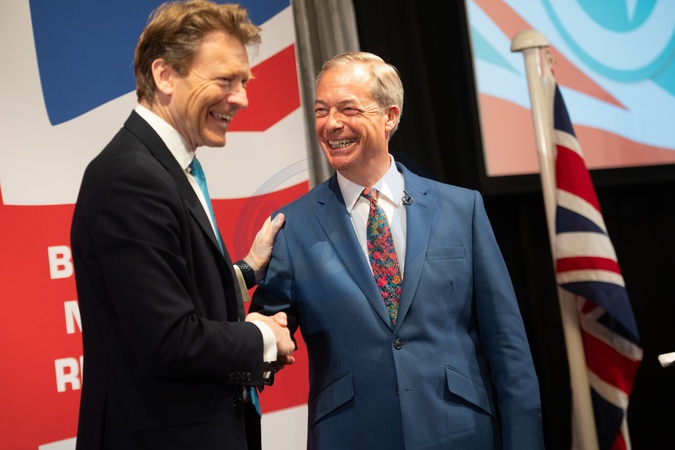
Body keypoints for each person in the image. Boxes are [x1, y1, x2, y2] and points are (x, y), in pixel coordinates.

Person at [250, 52, 545, 449]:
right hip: (352, 437)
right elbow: (263, 336)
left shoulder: (462, 209)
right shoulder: (293, 226)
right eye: (321, 111)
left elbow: (508, 347)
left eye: (348, 109)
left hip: (461, 433)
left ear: (390, 116)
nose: (331, 123)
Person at [70, 1, 295, 449]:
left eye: (244, 82)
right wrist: (262, 338)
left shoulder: (164, 166)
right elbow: (169, 339)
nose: (242, 98)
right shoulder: (131, 177)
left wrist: (247, 269)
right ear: (165, 75)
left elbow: (169, 288)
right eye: (225, 80)